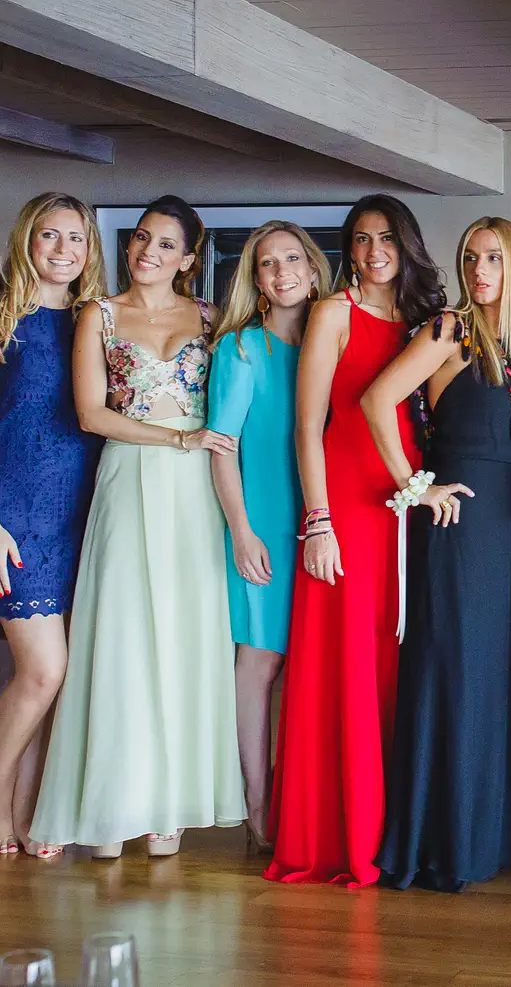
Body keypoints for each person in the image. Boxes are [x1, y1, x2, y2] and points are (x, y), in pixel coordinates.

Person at [31, 195, 245, 858]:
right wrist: (176, 439)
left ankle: (171, 801)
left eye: (165, 244)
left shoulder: (211, 319)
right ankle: (112, 803)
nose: (147, 252)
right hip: (128, 476)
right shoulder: (97, 314)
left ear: (188, 259)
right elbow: (91, 413)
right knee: (121, 632)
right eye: (141, 238)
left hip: (195, 491)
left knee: (184, 633)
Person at [265, 195, 445, 886]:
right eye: (362, 239)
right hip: (344, 509)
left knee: (395, 666)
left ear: (407, 244)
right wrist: (318, 521)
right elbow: (306, 426)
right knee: (344, 666)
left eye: (387, 238)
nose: (374, 252)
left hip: (403, 508)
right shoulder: (333, 313)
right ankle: (342, 834)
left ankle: (399, 831)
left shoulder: (427, 322)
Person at [368, 216, 511, 893]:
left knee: (496, 677)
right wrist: (416, 485)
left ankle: (496, 835)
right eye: (471, 256)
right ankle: (446, 842)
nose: (479, 270)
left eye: (493, 257)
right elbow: (376, 400)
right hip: (458, 526)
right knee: (457, 675)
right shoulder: (450, 330)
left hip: (501, 532)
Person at [0, 193, 106, 858]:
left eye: (76, 238)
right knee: (44, 669)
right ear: (26, 239)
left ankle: (27, 805)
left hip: (82, 511)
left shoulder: (95, 319)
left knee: (61, 676)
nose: (63, 249)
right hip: (13, 513)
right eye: (50, 235)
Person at [207, 221, 330, 853]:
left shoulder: (331, 343)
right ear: (255, 280)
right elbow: (222, 448)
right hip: (262, 528)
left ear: (313, 270)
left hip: (323, 527)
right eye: (267, 263)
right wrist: (240, 530)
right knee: (259, 664)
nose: (282, 272)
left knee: (309, 667)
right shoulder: (242, 349)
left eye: (292, 259)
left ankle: (299, 798)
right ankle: (256, 805)